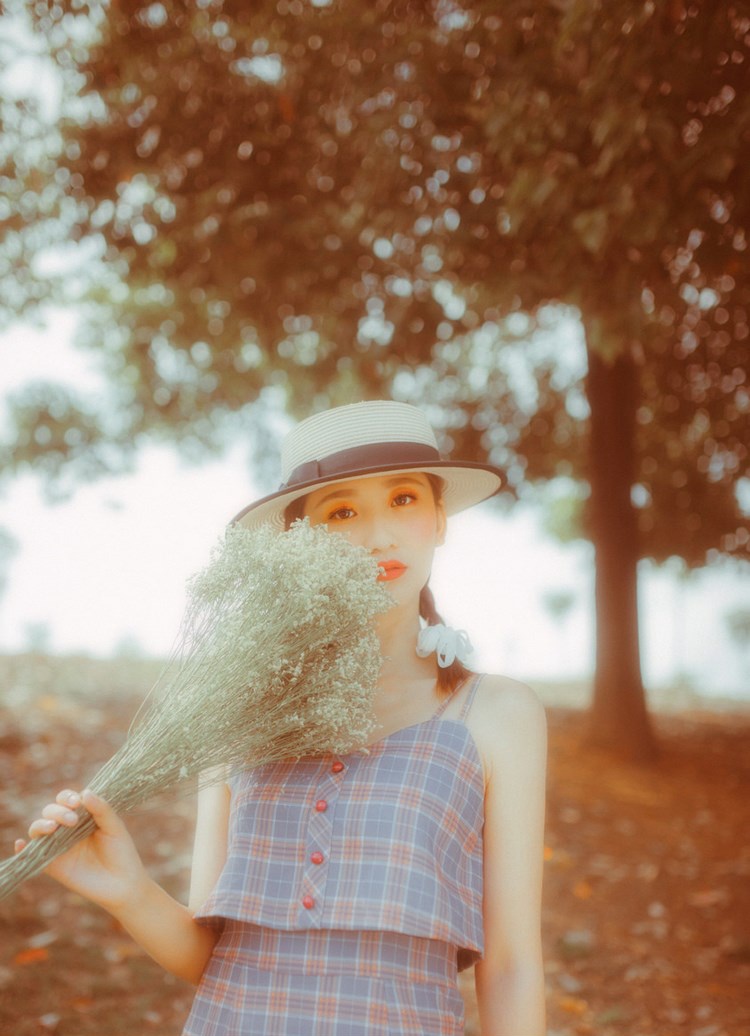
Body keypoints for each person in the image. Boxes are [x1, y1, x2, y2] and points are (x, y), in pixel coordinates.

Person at [18, 400, 548, 1036]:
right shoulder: (241, 713)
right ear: (302, 542)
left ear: (440, 519)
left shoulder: (495, 715)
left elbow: (512, 966)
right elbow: (210, 958)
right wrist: (129, 889)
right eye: (343, 512)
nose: (379, 535)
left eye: (404, 499)